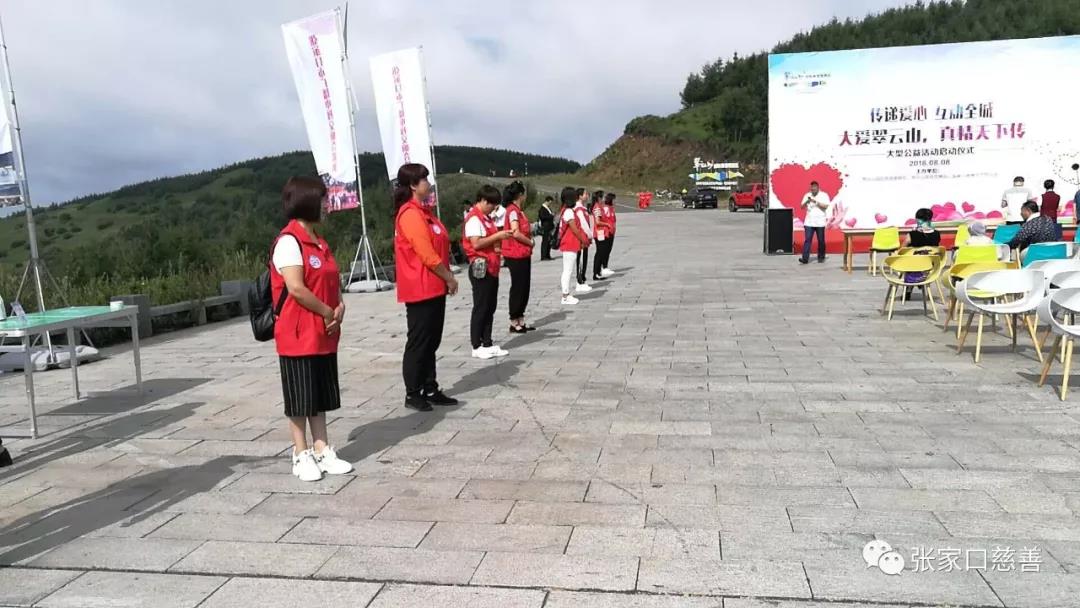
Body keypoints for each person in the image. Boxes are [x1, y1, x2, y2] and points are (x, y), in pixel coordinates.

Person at [270, 176, 353, 482]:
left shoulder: (319, 241)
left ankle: (322, 449)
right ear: (307, 202)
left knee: (319, 394)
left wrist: (339, 307)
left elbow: (332, 279)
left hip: (323, 333)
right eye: (323, 200)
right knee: (300, 396)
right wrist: (327, 311)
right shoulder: (289, 242)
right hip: (298, 333)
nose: (327, 206)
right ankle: (300, 452)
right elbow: (296, 288)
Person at [394, 163, 460, 412]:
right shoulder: (410, 214)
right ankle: (413, 392)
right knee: (420, 340)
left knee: (432, 340)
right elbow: (426, 254)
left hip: (434, 286)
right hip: (420, 287)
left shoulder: (426, 213)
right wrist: (449, 277)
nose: (429, 183)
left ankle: (430, 387)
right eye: (424, 180)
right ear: (413, 185)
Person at [463, 185, 512, 359]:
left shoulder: (486, 218)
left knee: (490, 306)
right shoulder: (473, 219)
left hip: (491, 266)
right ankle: (476, 345)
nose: (493, 209)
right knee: (481, 306)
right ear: (483, 201)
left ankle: (487, 342)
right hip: (480, 267)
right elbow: (476, 243)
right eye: (492, 205)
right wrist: (498, 236)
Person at [501, 181, 535, 334]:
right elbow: (515, 232)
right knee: (518, 286)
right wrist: (530, 242)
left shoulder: (518, 211)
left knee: (524, 286)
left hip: (523, 253)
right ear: (520, 195)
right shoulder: (513, 211)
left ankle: (520, 318)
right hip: (515, 253)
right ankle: (514, 319)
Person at [557, 186, 590, 305]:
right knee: (568, 271)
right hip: (569, 244)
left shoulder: (566, 210)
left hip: (570, 244)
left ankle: (566, 294)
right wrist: (584, 240)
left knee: (568, 270)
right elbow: (575, 229)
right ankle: (565, 295)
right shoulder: (569, 212)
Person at [798, 181, 831, 264]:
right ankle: (805, 258)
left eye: (814, 188)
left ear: (818, 188)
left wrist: (815, 202)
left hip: (820, 222)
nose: (813, 189)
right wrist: (807, 201)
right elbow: (801, 206)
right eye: (812, 188)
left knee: (821, 240)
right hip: (809, 222)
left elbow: (826, 206)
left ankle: (821, 257)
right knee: (807, 240)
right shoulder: (807, 195)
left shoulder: (824, 195)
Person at [592, 192, 616, 280]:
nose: (604, 199)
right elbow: (597, 221)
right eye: (603, 197)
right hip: (599, 233)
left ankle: (598, 272)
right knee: (599, 253)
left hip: (603, 232)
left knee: (602, 252)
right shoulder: (597, 207)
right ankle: (596, 273)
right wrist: (607, 224)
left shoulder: (600, 206)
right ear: (599, 198)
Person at [574, 188, 595, 291]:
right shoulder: (578, 209)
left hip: (585, 238)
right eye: (585, 194)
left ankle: (583, 278)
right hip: (582, 238)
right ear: (580, 196)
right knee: (581, 259)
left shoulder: (583, 208)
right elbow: (583, 224)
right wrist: (590, 234)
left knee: (584, 258)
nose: (587, 196)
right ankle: (579, 281)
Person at [538, 196, 556, 261]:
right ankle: (543, 256)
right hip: (545, 227)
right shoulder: (542, 208)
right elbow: (542, 217)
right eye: (550, 202)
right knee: (545, 241)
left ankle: (548, 255)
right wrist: (551, 216)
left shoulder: (548, 208)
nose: (550, 203)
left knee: (549, 241)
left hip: (549, 227)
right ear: (547, 201)